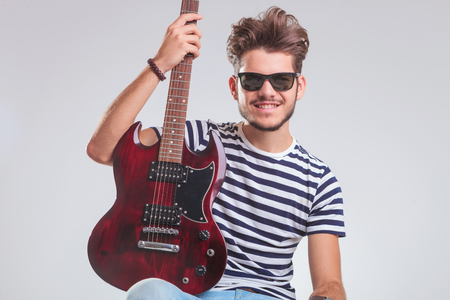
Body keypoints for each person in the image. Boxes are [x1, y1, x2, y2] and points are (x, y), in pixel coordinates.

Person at [87, 6, 346, 300]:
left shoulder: (320, 180)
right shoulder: (200, 139)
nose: (267, 91)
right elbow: (102, 148)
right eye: (252, 80)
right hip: (196, 293)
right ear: (234, 87)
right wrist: (159, 63)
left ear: (299, 87)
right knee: (149, 290)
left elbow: (330, 284)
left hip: (268, 297)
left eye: (281, 80)